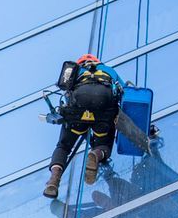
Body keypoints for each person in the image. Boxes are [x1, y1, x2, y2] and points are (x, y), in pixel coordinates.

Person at [43, 54, 126, 197]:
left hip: (78, 112)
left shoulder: (76, 71)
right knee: (103, 144)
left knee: (63, 146)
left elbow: (65, 89)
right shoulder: (109, 70)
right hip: (103, 112)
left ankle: (54, 180)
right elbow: (125, 93)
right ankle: (96, 154)